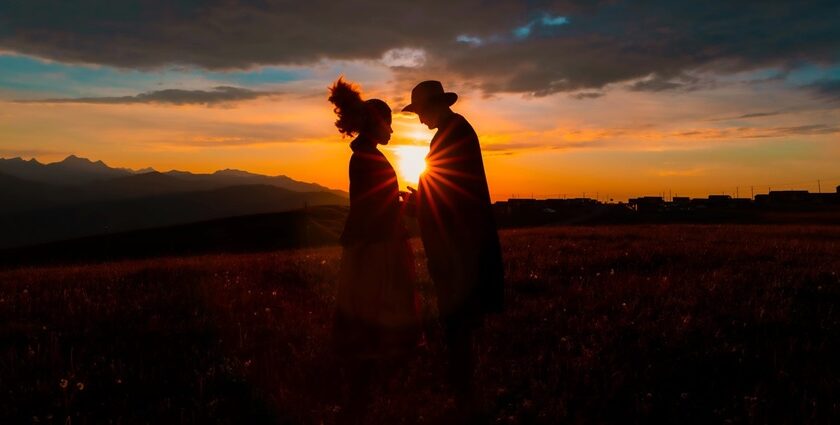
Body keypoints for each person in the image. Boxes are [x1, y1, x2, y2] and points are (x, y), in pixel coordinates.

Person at [402, 80, 505, 421]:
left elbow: (444, 190)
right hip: (462, 240)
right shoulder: (455, 130)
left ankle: (463, 392)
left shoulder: (450, 133)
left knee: (456, 316)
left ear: (432, 107)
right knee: (460, 316)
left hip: (458, 245)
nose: (418, 120)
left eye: (419, 112)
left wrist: (415, 202)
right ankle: (464, 386)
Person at [328, 77, 420, 424]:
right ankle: (370, 374)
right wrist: (408, 203)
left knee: (368, 303)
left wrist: (398, 201)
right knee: (377, 303)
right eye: (390, 125)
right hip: (376, 244)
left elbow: (373, 201)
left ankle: (369, 373)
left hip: (371, 241)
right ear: (376, 123)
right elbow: (374, 206)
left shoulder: (366, 155)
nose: (393, 132)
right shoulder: (369, 158)